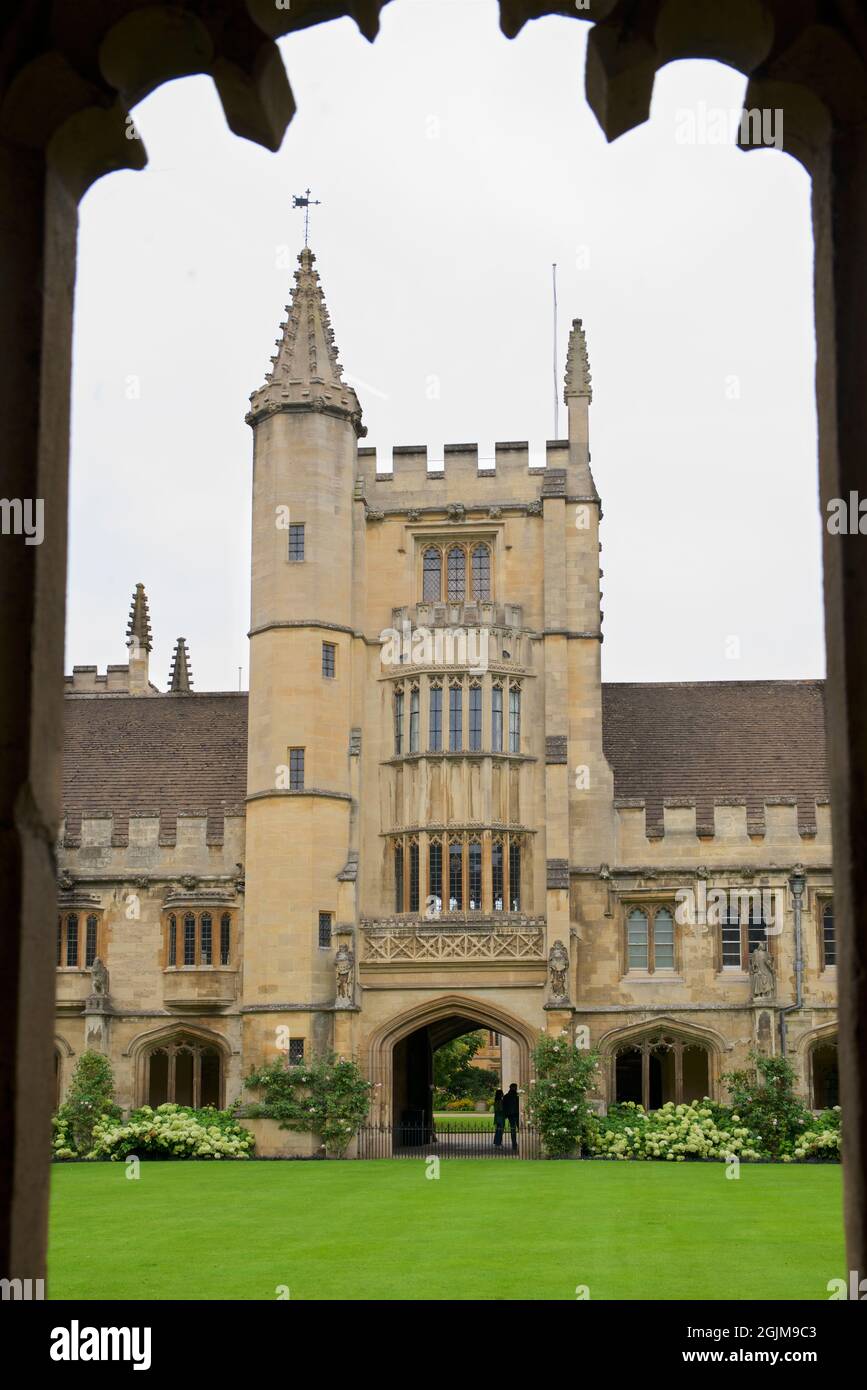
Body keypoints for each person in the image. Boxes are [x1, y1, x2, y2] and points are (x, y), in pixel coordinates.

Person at [502, 1082, 519, 1152]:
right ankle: (515, 1144)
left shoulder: (506, 1096)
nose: (516, 1088)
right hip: (514, 1115)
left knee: (514, 1130)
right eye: (515, 1087)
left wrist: (505, 1114)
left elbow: (504, 1107)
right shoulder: (516, 1096)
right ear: (512, 1087)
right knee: (515, 1130)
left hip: (512, 1115)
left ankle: (514, 1145)